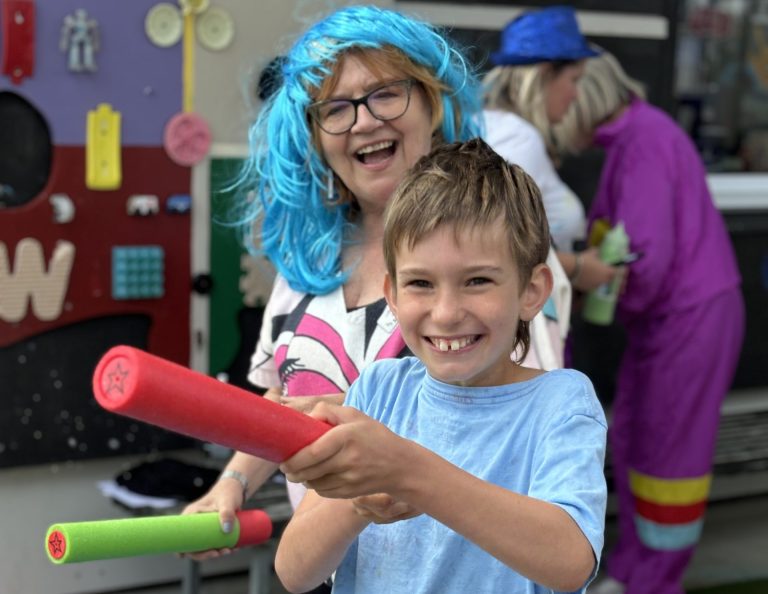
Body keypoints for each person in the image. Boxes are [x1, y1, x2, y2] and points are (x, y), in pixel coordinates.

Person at [182, 4, 485, 572]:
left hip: (445, 572)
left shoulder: (487, 249)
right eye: (336, 110)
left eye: (385, 94)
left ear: (434, 103)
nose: (364, 121)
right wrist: (232, 485)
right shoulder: (309, 264)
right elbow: (284, 400)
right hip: (329, 568)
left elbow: (513, 411)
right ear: (316, 138)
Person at [274, 138, 608, 594]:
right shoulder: (376, 392)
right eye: (421, 283)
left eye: (477, 280)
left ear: (532, 291)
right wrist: (356, 502)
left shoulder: (561, 403)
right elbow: (294, 574)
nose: (446, 312)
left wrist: (405, 469)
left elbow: (570, 561)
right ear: (392, 294)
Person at [554, 49, 745, 594]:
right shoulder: (637, 136)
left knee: (669, 453)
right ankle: (638, 566)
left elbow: (646, 259)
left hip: (686, 318)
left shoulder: (643, 143)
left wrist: (596, 286)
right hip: (672, 319)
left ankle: (656, 579)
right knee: (640, 437)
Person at [483, 5, 615, 294]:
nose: (577, 94)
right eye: (573, 80)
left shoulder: (496, 127)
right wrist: (579, 267)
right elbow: (494, 248)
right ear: (544, 75)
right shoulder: (518, 139)